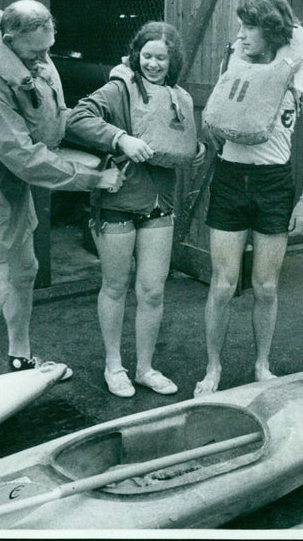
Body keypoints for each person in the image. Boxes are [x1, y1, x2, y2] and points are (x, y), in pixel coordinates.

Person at [0, 0, 124, 382]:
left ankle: (19, 358)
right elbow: (22, 154)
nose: (42, 60)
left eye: (47, 49)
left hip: (10, 178)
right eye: (35, 51)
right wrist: (92, 178)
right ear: (7, 40)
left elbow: (53, 121)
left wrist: (115, 139)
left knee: (25, 269)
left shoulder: (30, 63)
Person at [66, 21, 205, 397]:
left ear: (172, 59)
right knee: (114, 286)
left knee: (153, 291)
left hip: (159, 205)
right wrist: (120, 138)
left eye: (161, 57)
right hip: (116, 203)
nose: (154, 64)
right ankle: (115, 366)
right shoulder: (118, 89)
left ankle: (144, 368)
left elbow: (183, 141)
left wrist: (195, 149)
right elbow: (76, 118)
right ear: (136, 55)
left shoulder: (178, 97)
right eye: (147, 56)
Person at [195, 0, 303, 396]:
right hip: (231, 178)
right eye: (241, 26)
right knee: (223, 284)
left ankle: (262, 365)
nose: (241, 35)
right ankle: (212, 368)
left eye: (250, 27)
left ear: (271, 30)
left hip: (274, 182)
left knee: (266, 286)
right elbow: (215, 118)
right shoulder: (234, 64)